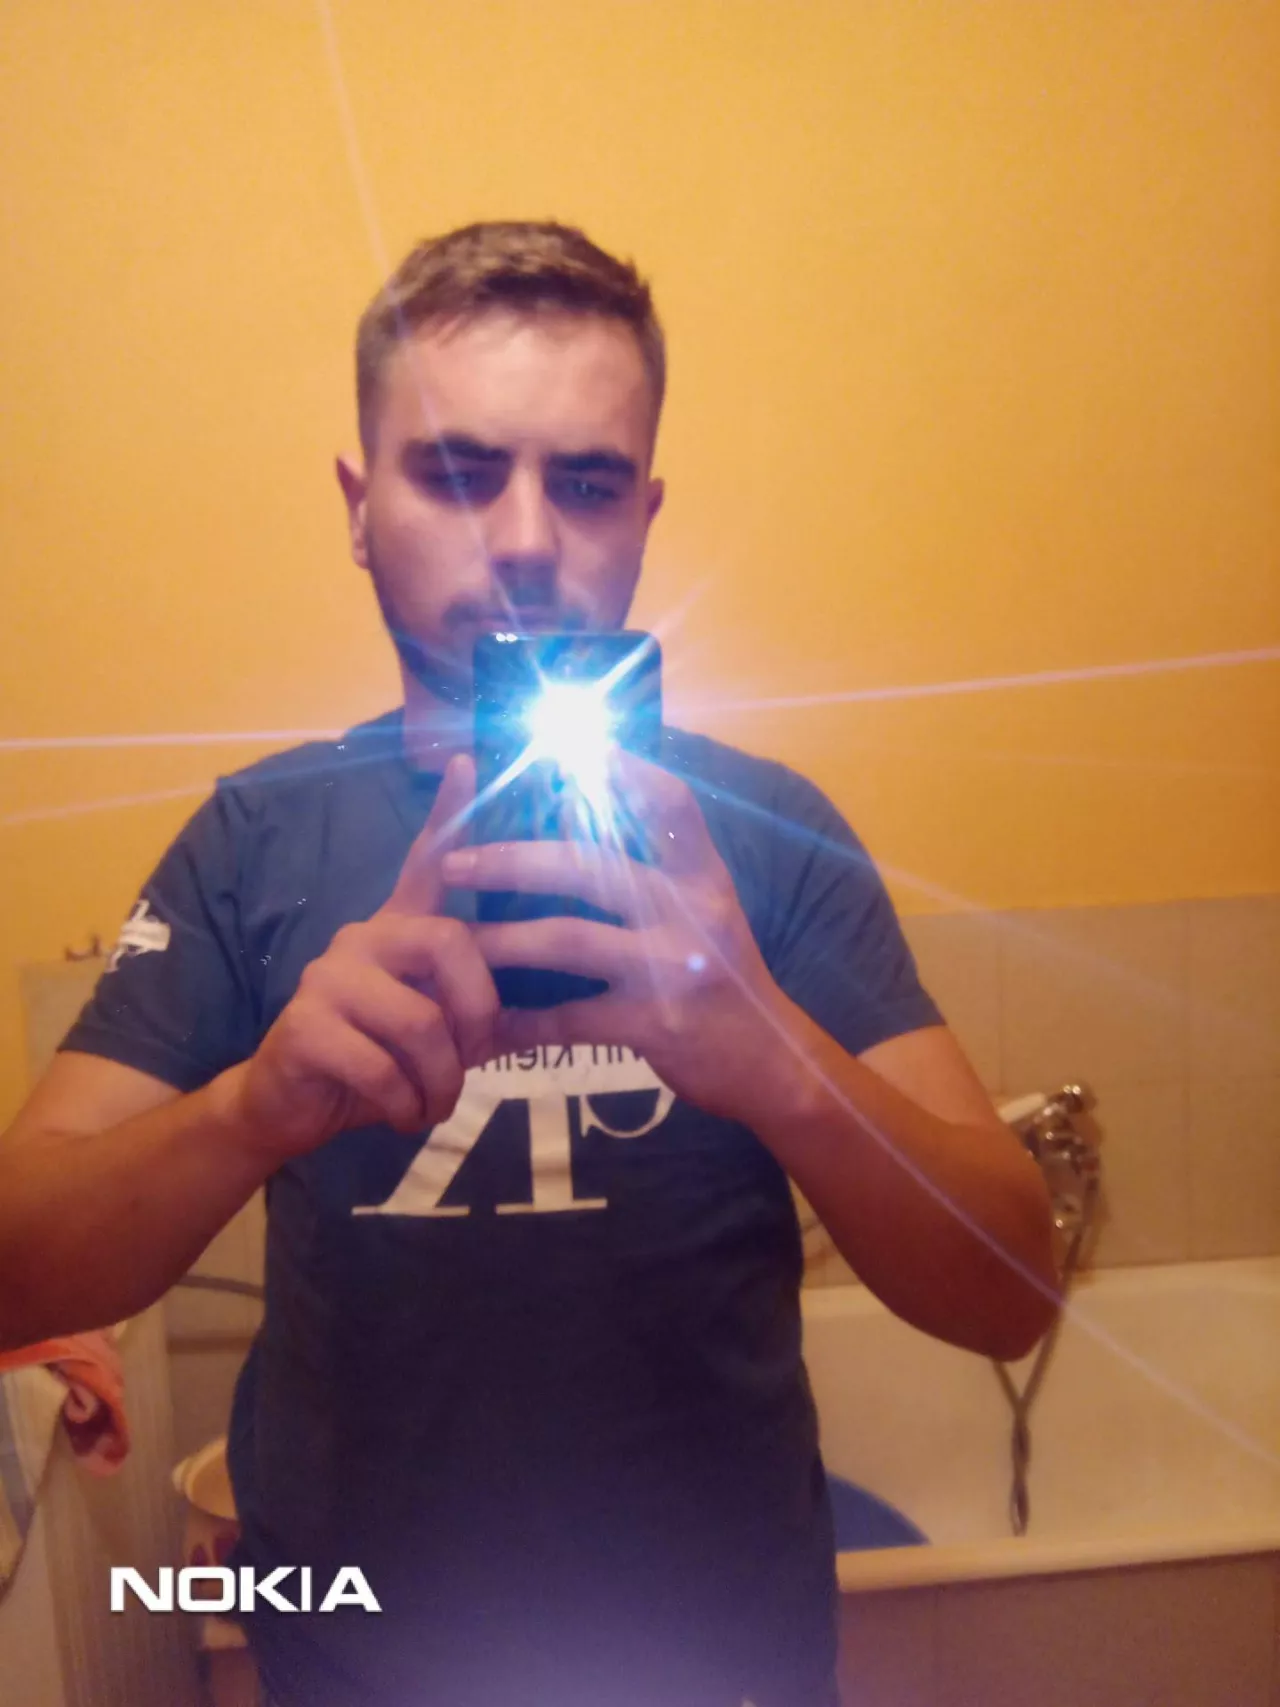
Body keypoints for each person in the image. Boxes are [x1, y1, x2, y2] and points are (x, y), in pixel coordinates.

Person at [0, 222, 1057, 1707]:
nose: (522, 541)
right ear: (359, 508)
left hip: (720, 1659)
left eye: (587, 483)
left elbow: (1013, 1292)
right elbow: (17, 1269)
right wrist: (254, 1109)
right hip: (362, 1653)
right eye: (455, 473)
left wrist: (781, 1065)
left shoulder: (765, 836)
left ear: (646, 514)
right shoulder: (255, 838)